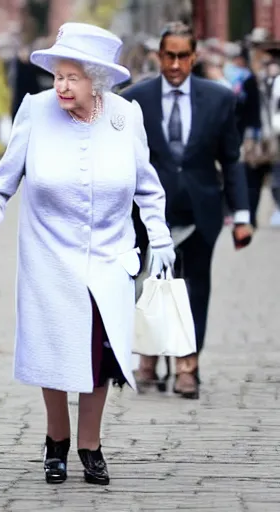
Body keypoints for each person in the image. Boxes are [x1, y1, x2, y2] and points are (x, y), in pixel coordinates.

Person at [0, 23, 175, 486]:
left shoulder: (126, 116)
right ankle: (56, 439)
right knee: (55, 351)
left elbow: (148, 187)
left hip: (110, 257)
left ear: (96, 79)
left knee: (100, 355)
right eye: (57, 76)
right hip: (49, 259)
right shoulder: (35, 111)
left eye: (71, 77)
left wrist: (159, 238)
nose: (60, 86)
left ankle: (90, 444)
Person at [122, 22, 252, 399]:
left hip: (201, 209)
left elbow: (231, 159)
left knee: (195, 286)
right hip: (145, 211)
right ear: (158, 56)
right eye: (168, 55)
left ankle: (187, 364)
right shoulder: (135, 99)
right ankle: (147, 357)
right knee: (146, 282)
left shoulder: (219, 99)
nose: (175, 63)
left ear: (194, 58)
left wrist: (241, 216)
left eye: (182, 56)